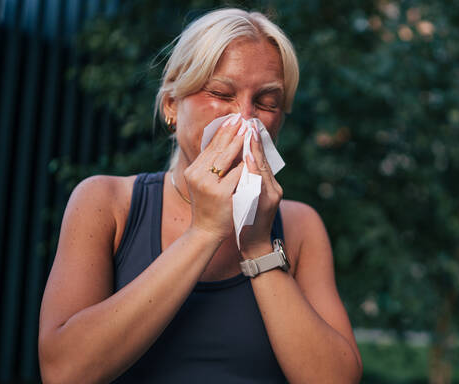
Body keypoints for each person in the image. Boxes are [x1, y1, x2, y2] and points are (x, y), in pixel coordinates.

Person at [38, 8, 362, 383]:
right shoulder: (105, 202)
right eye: (221, 93)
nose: (244, 117)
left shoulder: (300, 226)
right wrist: (205, 232)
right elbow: (64, 372)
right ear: (172, 104)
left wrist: (258, 247)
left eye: (267, 102)